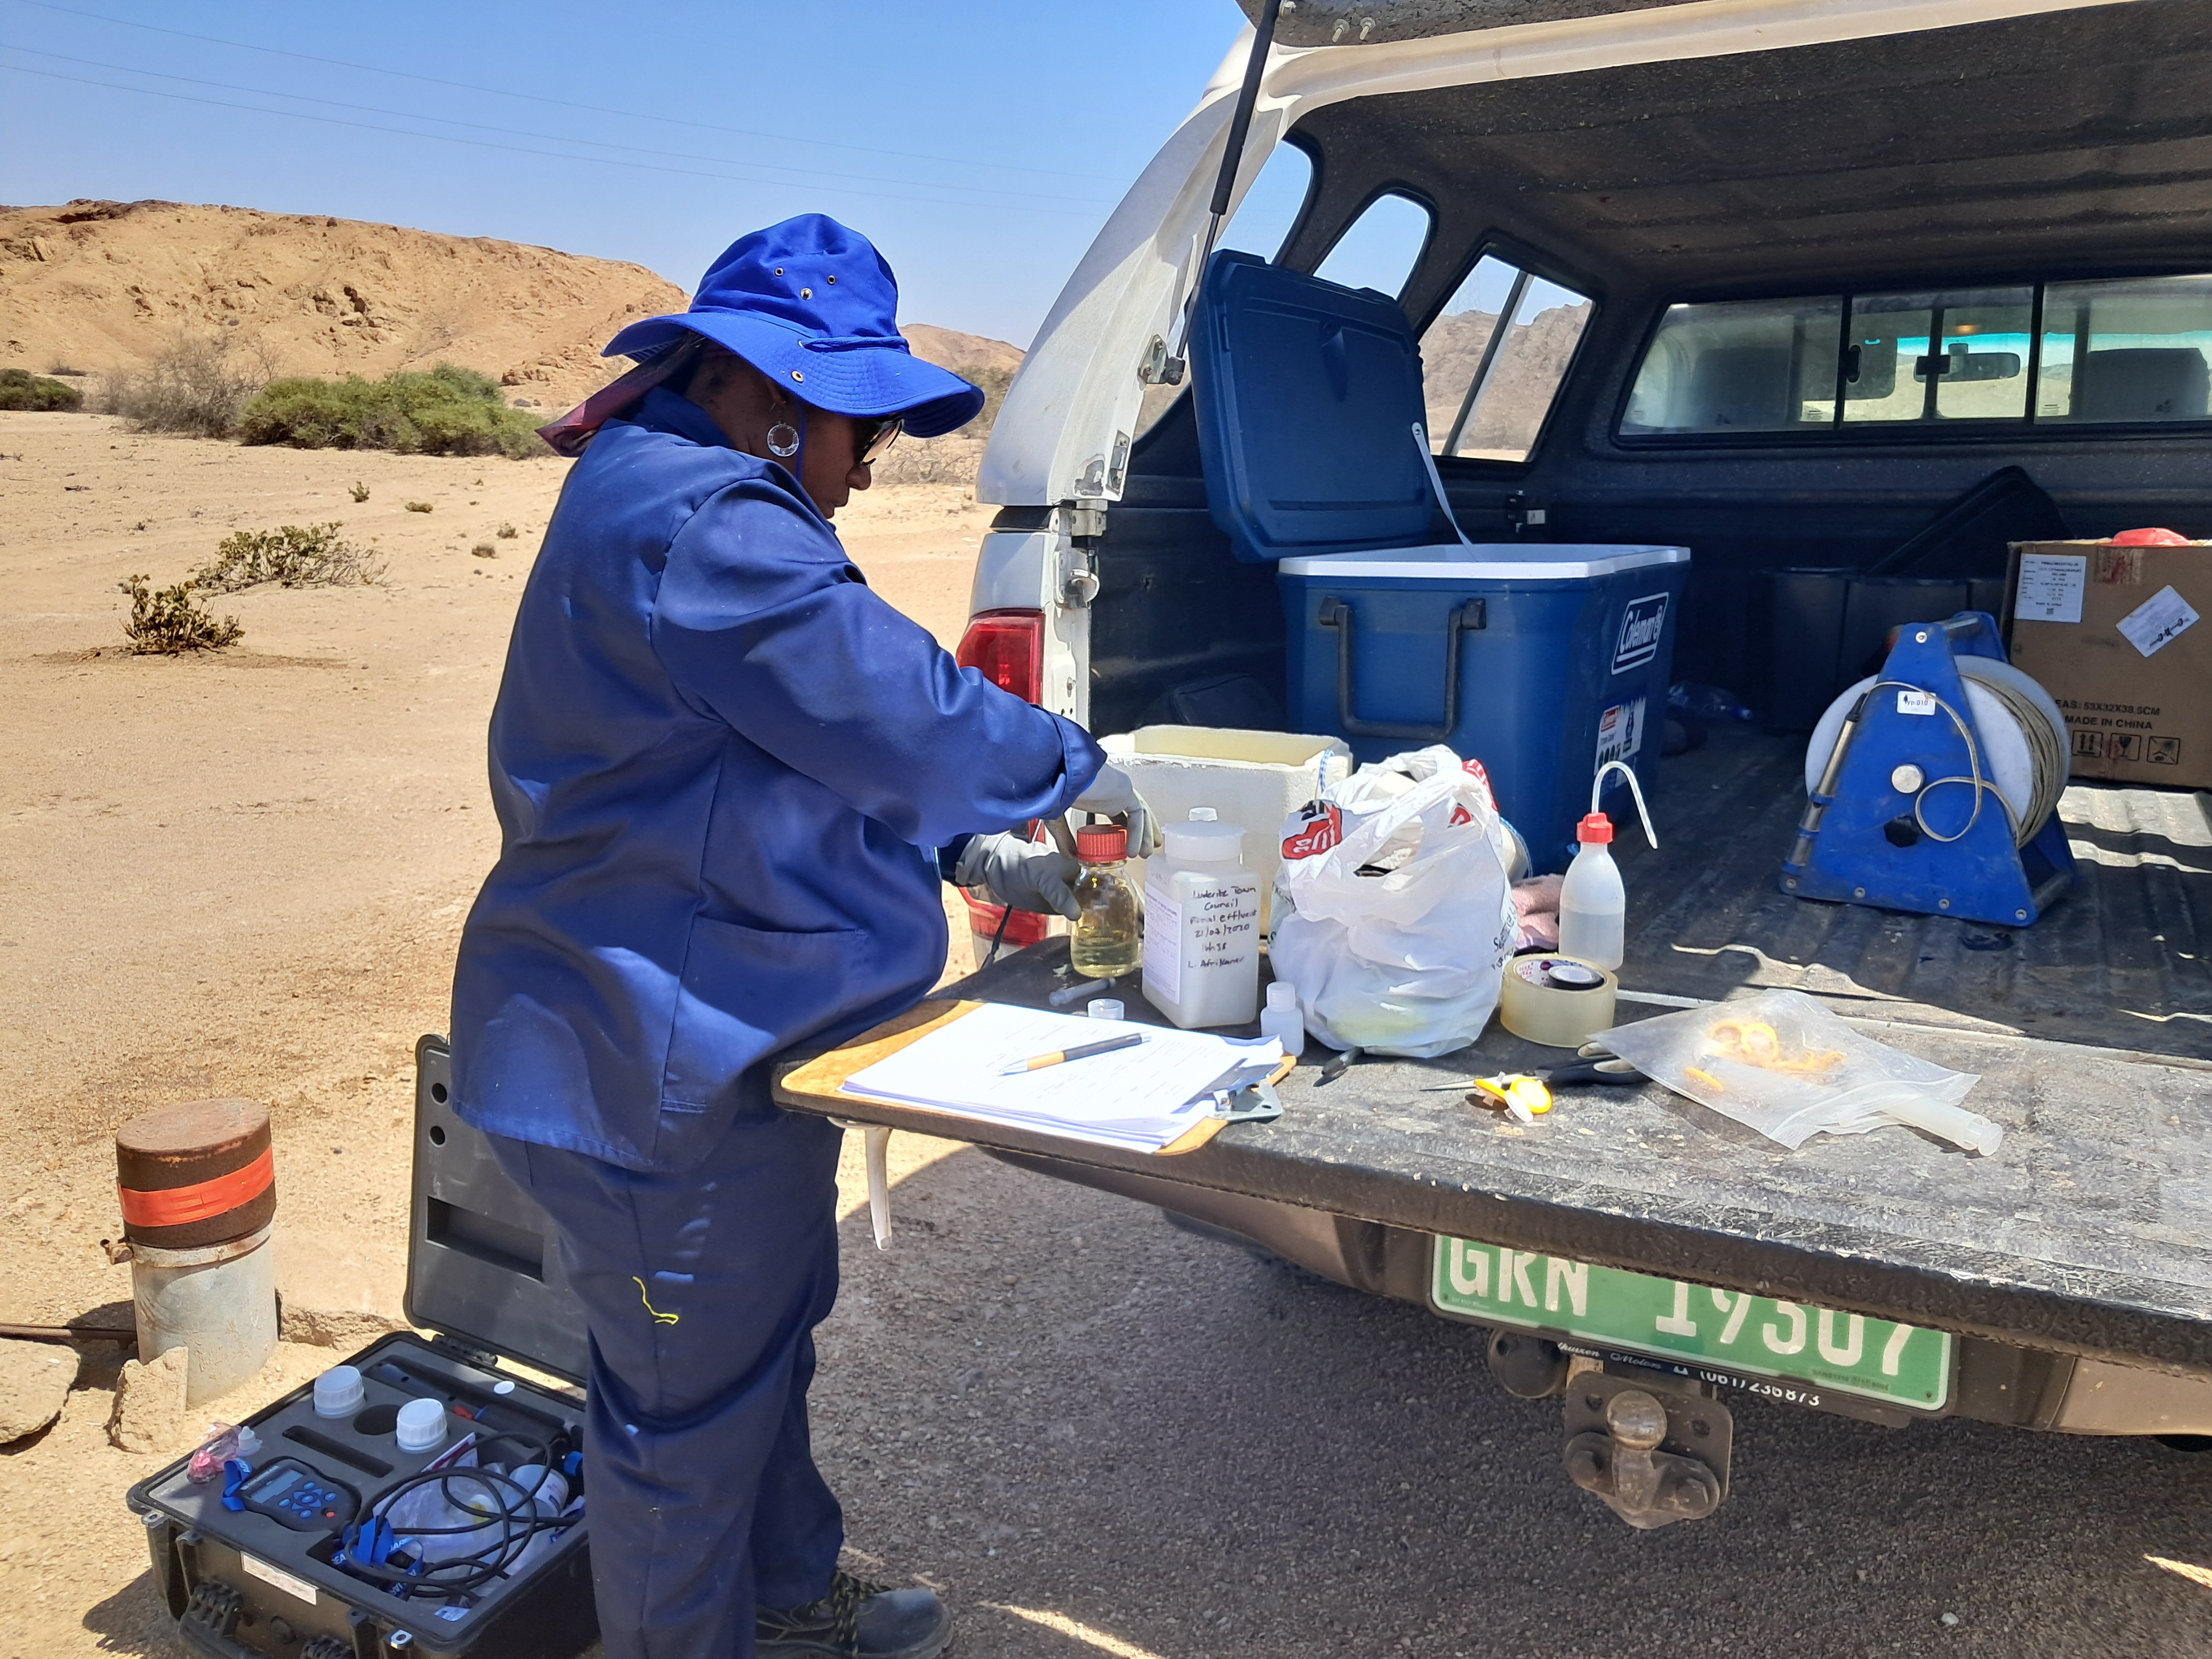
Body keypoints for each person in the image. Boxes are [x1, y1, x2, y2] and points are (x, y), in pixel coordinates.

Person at [448, 214, 1153, 1659]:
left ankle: (785, 1596)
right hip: (653, 1070)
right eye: (860, 431)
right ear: (773, 405)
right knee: (680, 1428)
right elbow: (901, 707)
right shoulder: (708, 524)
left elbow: (778, 750)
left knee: (753, 1347)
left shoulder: (665, 486)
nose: (869, 466)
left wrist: (957, 838)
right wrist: (1091, 778)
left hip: (704, 1039)